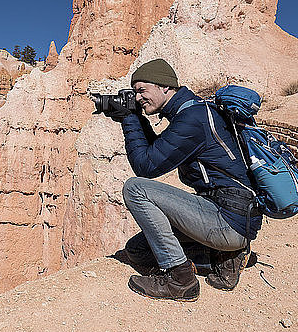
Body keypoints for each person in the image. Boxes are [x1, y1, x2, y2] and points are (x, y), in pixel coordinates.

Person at [102, 59, 262, 301]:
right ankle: (222, 256)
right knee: (137, 251)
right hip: (229, 214)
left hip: (228, 219)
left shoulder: (192, 119)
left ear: (164, 87)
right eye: (134, 93)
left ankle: (180, 279)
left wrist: (129, 119)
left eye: (141, 90)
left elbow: (146, 166)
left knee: (135, 189)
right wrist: (138, 119)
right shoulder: (192, 111)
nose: (137, 98)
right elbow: (159, 150)